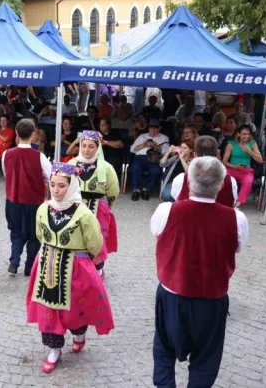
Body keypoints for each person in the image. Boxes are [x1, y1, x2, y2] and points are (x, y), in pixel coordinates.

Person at [151, 156, 248, 387]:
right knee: (206, 357)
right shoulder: (237, 218)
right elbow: (238, 247)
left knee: (164, 349)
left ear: (188, 181)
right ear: (222, 183)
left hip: (172, 293)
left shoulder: (166, 210)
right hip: (211, 299)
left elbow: (157, 234)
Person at [26, 162, 114, 374]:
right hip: (47, 263)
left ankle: (79, 333)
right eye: (53, 185)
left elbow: (95, 243)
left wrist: (81, 261)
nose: (56, 190)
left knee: (75, 309)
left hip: (76, 267)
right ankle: (54, 349)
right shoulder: (43, 208)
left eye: (61, 186)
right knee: (49, 308)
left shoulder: (84, 214)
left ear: (72, 185)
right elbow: (40, 235)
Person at [3, 119, 51, 276]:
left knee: (16, 232)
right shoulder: (40, 157)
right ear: (33, 135)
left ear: (16, 133)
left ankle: (14, 260)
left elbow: (6, 174)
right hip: (33, 202)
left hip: (13, 200)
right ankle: (30, 266)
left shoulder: (6, 154)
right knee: (34, 235)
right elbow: (50, 176)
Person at [68, 130, 119, 278]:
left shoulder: (106, 167)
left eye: (91, 146)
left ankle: (97, 268)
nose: (86, 149)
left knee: (96, 237)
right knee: (77, 236)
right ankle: (77, 267)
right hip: (76, 206)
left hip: (99, 207)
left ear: (98, 148)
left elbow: (113, 190)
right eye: (84, 145)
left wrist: (106, 206)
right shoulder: (72, 164)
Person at [172, 136, 238, 206]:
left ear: (195, 154)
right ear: (217, 153)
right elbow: (232, 202)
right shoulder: (230, 180)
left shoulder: (181, 178)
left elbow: (176, 198)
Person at [222, 124, 263, 207]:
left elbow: (260, 160)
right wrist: (235, 166)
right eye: (244, 134)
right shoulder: (231, 144)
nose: (246, 136)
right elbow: (224, 161)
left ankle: (238, 202)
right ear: (238, 134)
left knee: (248, 182)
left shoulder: (252, 143)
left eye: (248, 134)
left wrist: (249, 151)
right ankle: (223, 199)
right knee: (223, 178)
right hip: (232, 169)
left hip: (246, 170)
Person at [130, 119, 169, 201]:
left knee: (156, 171)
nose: (153, 130)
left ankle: (146, 189)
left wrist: (156, 146)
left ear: (159, 128)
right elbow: (132, 149)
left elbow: (166, 152)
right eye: (151, 127)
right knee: (135, 167)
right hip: (140, 157)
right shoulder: (142, 136)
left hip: (154, 158)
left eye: (155, 128)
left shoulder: (164, 138)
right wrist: (143, 145)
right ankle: (136, 190)